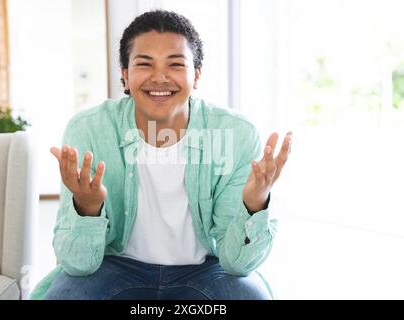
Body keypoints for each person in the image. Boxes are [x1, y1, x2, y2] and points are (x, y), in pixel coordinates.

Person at [32, 10, 292, 300]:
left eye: (175, 64)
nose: (160, 77)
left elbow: (238, 264)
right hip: (113, 266)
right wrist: (87, 208)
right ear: (125, 75)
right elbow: (77, 266)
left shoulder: (237, 134)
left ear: (196, 75)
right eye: (145, 64)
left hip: (205, 270)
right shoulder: (88, 130)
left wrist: (255, 203)